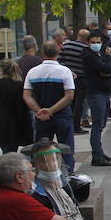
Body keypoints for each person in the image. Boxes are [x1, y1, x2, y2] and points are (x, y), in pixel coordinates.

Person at [23, 42, 76, 170]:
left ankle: (44, 174)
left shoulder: (33, 72)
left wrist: (40, 111)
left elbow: (27, 96)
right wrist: (51, 110)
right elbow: (69, 95)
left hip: (41, 118)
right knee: (66, 148)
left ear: (42, 53)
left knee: (42, 150)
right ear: (58, 52)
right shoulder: (64, 71)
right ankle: (68, 175)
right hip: (62, 115)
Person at [80, 31, 111, 166]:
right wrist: (108, 58)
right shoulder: (90, 56)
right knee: (97, 125)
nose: (96, 44)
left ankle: (99, 151)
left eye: (98, 42)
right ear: (88, 42)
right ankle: (97, 155)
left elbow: (107, 71)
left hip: (103, 91)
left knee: (101, 124)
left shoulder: (97, 55)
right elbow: (105, 69)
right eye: (93, 42)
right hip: (96, 92)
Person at [0, 59, 30, 156]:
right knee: (11, 151)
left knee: (6, 151)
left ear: (1, 70)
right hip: (14, 125)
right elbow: (21, 109)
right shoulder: (18, 85)